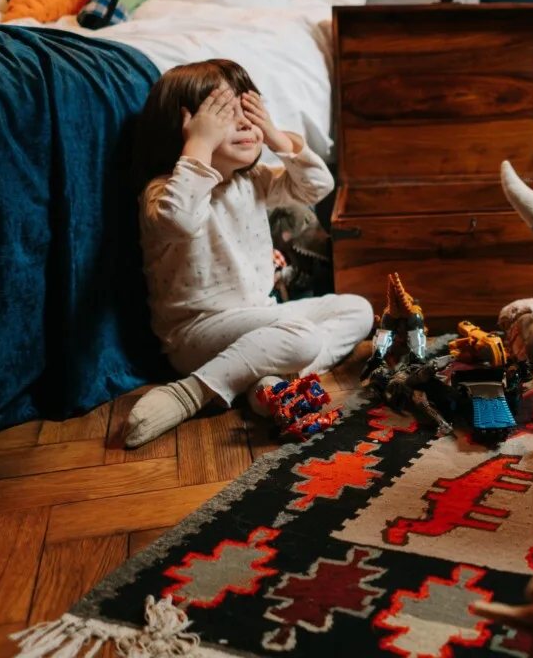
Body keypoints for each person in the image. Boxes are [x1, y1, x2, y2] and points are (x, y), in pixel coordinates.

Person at [125, 59, 373, 448]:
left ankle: (269, 386)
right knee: (303, 338)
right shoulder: (166, 190)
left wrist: (274, 135)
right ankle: (193, 391)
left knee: (358, 309)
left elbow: (316, 187)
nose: (245, 124)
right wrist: (200, 145)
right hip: (196, 334)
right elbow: (180, 221)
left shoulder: (253, 180)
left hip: (261, 321)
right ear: (184, 128)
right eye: (225, 114)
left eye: (250, 112)